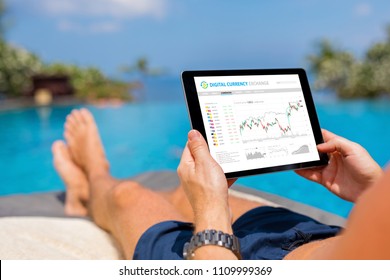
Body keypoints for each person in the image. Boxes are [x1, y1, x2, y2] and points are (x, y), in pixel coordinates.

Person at [52, 108, 387, 260]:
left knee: (128, 195)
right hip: (313, 238)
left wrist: (213, 213)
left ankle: (93, 177)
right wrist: (373, 191)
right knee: (181, 196)